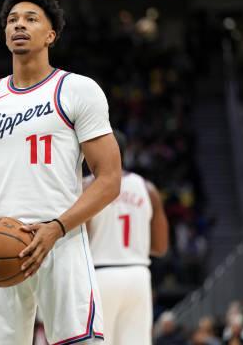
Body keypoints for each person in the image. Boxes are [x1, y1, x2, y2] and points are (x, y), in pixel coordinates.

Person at [0, 0, 121, 344]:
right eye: (12, 20)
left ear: (51, 35)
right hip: (0, 241)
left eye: (31, 19)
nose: (19, 24)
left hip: (61, 242)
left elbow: (109, 179)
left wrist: (56, 228)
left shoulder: (78, 90)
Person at [86, 131, 169, 345]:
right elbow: (160, 247)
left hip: (101, 275)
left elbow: (77, 239)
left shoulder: (86, 186)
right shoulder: (148, 189)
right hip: (138, 276)